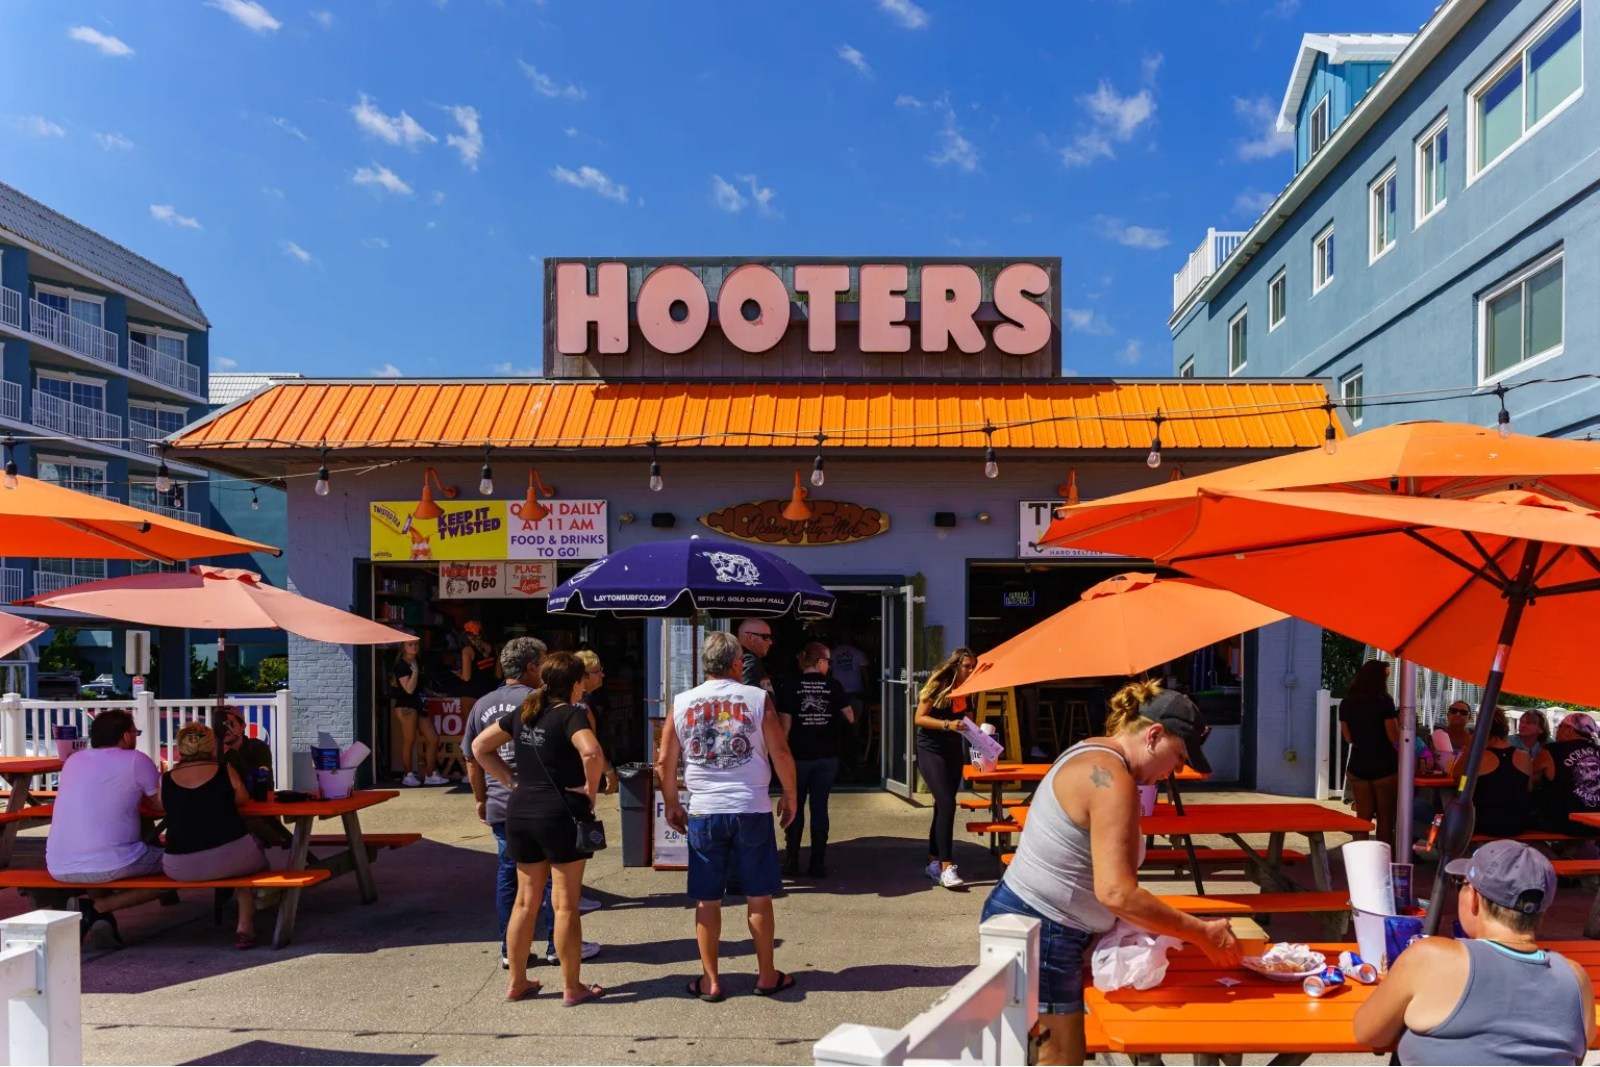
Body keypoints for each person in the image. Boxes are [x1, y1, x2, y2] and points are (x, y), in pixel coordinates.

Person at [980, 680, 1240, 1066]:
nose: (1175, 771)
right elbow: (1116, 893)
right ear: (1153, 735)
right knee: (1059, 1058)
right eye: (1178, 756)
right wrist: (1200, 932)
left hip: (1029, 917)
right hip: (1045, 929)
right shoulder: (1112, 780)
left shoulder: (1092, 752)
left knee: (1034, 1054)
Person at [1353, 840, 1593, 1064]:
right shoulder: (1575, 979)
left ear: (1475, 899)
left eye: (1463, 884)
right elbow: (1578, 1052)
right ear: (1543, 911)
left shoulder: (1430, 958)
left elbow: (1368, 1033)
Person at [657, 630, 799, 1002]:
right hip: (750, 808)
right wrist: (790, 794)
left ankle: (711, 981)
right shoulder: (757, 698)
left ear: (705, 664)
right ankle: (766, 975)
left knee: (707, 899)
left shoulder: (682, 702)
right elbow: (780, 752)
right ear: (737, 663)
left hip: (704, 810)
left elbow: (665, 761)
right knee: (759, 896)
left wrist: (672, 802)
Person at [471, 652, 608, 1005]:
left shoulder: (525, 712)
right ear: (576, 684)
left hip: (521, 812)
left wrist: (509, 780)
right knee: (565, 905)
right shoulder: (571, 714)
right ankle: (572, 986)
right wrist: (590, 791)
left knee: (524, 901)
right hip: (559, 814)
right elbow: (592, 753)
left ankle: (517, 982)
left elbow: (479, 747)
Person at [46, 709, 166, 942]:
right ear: (126, 736)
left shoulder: (73, 760)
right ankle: (97, 908)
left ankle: (101, 918)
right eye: (135, 733)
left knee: (104, 856)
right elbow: (159, 805)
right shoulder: (135, 760)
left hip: (58, 864)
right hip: (111, 862)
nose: (135, 737)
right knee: (181, 866)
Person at [161, 724, 269, 949]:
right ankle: (245, 924)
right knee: (249, 865)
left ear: (181, 748)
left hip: (179, 866)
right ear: (212, 747)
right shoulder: (225, 770)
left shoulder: (167, 779)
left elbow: (160, 804)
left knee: (239, 863)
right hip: (231, 857)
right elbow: (242, 799)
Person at [779, 642, 854, 878]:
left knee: (795, 805)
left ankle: (792, 860)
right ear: (820, 662)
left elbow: (784, 727)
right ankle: (817, 863)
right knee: (820, 807)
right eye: (827, 661)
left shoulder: (791, 685)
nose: (829, 666)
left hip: (798, 757)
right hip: (827, 756)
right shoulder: (834, 685)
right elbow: (850, 717)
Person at [912, 647, 976, 889]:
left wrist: (984, 743)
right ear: (956, 666)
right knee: (948, 804)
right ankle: (947, 867)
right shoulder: (939, 684)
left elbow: (969, 722)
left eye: (973, 667)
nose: (970, 670)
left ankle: (933, 861)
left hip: (953, 749)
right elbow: (919, 718)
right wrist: (948, 724)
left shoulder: (968, 689)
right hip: (930, 749)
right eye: (967, 666)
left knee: (943, 805)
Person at [1340, 659, 1400, 848]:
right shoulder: (1384, 702)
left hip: (1358, 764)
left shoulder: (1346, 703)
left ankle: (1359, 858)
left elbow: (1348, 738)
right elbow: (1393, 736)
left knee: (1362, 818)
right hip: (1383, 764)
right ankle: (1382, 859)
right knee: (1385, 816)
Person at [1451, 707, 1534, 839]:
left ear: (1481, 730)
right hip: (1517, 823)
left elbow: (1457, 778)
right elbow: (1529, 788)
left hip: (1485, 823)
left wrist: (1469, 749)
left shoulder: (1479, 757)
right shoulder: (1524, 756)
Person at [1531, 711, 1600, 836]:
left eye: (1560, 726)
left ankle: (1547, 850)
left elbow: (1526, 776)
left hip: (1565, 822)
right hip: (1595, 823)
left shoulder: (1552, 750)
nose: (1557, 730)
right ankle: (1574, 848)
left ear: (1569, 729)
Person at [392, 638, 445, 787]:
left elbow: (419, 687)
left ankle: (430, 774)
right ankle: (407, 774)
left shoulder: (418, 662)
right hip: (406, 706)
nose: (414, 647)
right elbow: (409, 689)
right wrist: (414, 671)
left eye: (416, 644)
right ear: (403, 647)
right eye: (410, 644)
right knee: (409, 739)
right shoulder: (402, 665)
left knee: (433, 738)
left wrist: (435, 693)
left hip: (420, 704)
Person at [735, 618, 775, 696]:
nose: (770, 642)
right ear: (750, 638)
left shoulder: (737, 657)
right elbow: (747, 698)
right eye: (766, 637)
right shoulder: (750, 662)